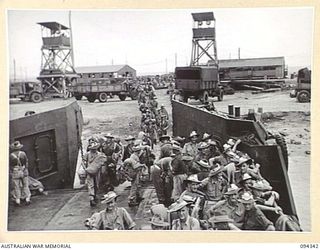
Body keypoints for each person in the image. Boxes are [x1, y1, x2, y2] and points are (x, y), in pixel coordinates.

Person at [84, 141, 107, 206]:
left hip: (97, 171)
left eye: (95, 149)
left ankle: (95, 195)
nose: (94, 150)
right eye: (92, 149)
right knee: (91, 185)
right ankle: (91, 199)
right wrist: (85, 169)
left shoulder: (100, 154)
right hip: (89, 171)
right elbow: (83, 162)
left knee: (97, 183)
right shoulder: (87, 154)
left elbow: (103, 161)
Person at [9, 141, 31, 206]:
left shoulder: (11, 156)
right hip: (23, 170)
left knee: (16, 186)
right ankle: (27, 198)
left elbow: (10, 165)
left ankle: (18, 200)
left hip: (15, 171)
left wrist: (12, 171)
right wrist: (25, 169)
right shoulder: (23, 153)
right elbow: (26, 162)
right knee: (25, 185)